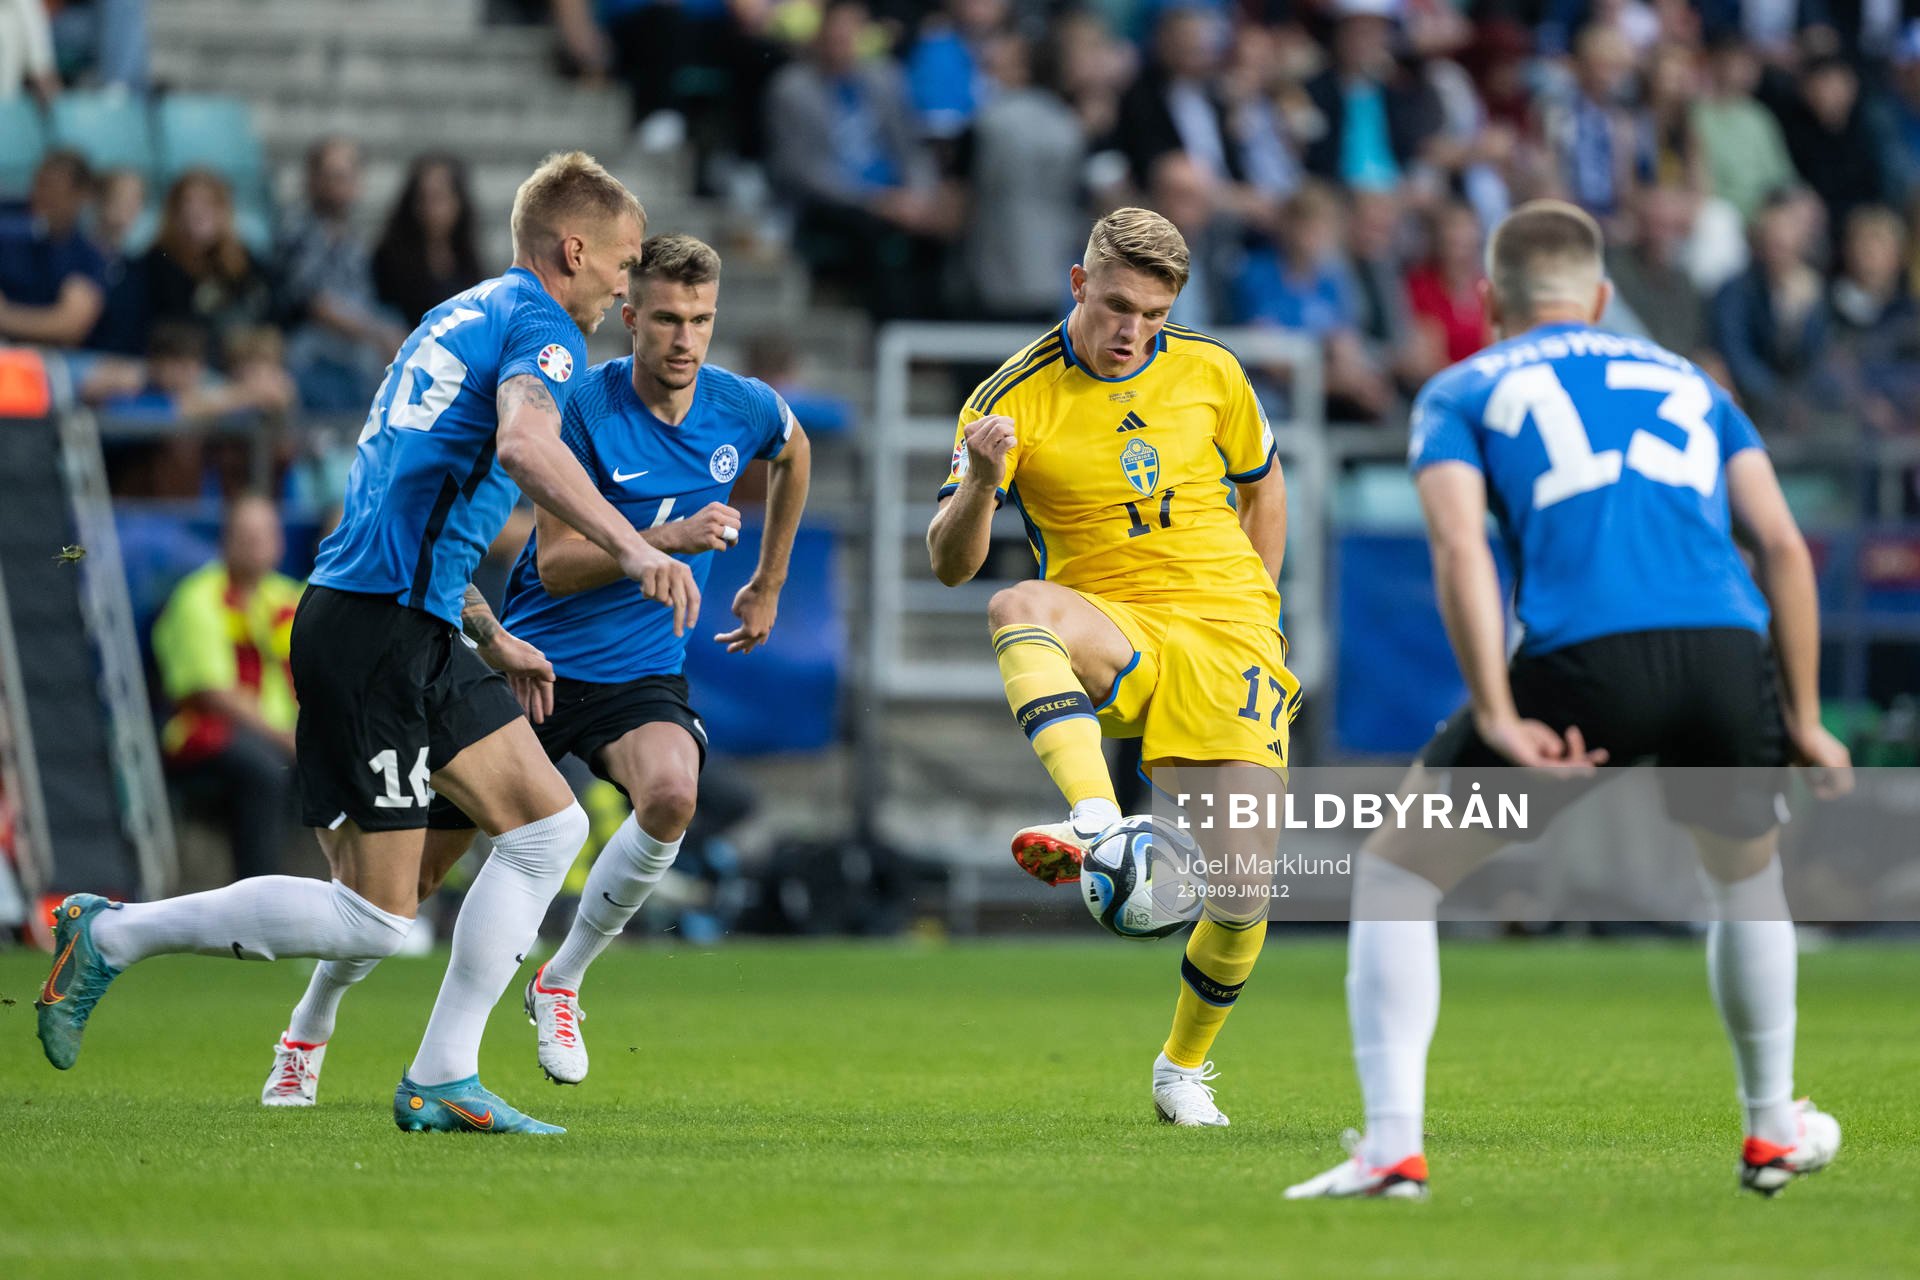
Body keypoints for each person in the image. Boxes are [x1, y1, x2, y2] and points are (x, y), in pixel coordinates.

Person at [36, 151, 699, 1139]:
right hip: (374, 629)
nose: (627, 287)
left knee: (547, 828)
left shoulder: (457, 315)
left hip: (409, 618)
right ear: (574, 249)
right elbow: (524, 446)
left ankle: (443, 1074)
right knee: (379, 916)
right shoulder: (544, 331)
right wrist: (635, 544)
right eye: (622, 262)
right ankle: (116, 931)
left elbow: (414, 499)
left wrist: (490, 629)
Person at [1284, 200, 1852, 1201]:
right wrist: (1804, 717)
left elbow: (1462, 547)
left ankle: (1392, 1149)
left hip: (1586, 662)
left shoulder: (1460, 388)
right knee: (1744, 882)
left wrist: (1498, 710)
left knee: (1396, 875)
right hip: (1728, 650)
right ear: (1599, 299)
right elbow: (1784, 546)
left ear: (1489, 299)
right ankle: (1770, 1129)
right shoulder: (1693, 380)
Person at [258, 232, 811, 1104]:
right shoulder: (579, 405)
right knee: (402, 888)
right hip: (537, 663)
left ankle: (561, 980)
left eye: (701, 321)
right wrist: (662, 541)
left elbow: (793, 448)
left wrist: (768, 583)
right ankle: (311, 1023)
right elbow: (556, 564)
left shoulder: (739, 407)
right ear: (630, 316)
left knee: (672, 794)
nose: (684, 339)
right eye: (665, 318)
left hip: (638, 675)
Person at [926, 208, 1298, 1127]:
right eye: (1120, 304)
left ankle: (1182, 1070)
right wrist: (979, 482)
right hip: (1116, 624)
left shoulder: (1212, 369)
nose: (1134, 330)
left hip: (1228, 634)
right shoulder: (1010, 396)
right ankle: (1098, 821)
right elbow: (950, 562)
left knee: (1247, 893)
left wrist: (1261, 608)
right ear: (1079, 281)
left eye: (1155, 314)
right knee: (1016, 605)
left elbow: (1264, 486)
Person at [151, 494, 303, 880]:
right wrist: (287, 739)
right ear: (226, 541)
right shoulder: (198, 596)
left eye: (266, 533)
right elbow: (212, 694)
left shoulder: (289, 597)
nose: (258, 543)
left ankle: (349, 896)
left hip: (281, 735)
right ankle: (260, 896)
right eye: (247, 535)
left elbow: (316, 677)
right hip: (204, 735)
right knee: (266, 770)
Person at [276, 138, 410, 412]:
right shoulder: (298, 229)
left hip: (357, 337)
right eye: (332, 176)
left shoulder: (352, 235)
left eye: (348, 175)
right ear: (313, 180)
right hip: (314, 342)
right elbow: (314, 303)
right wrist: (377, 332)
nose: (341, 184)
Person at [143, 170, 276, 363]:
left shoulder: (245, 262)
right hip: (181, 365)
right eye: (187, 203)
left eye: (208, 204)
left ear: (223, 211)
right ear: (174, 211)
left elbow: (269, 316)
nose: (196, 211)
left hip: (242, 363)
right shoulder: (156, 262)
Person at [0, 151, 106, 348]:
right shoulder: (8, 217)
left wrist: (5, 317)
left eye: (56, 189)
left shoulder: (85, 255)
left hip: (44, 355)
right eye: (40, 184)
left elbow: (69, 325)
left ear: (80, 195)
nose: (42, 195)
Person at [372, 154, 485, 329]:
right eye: (423, 198)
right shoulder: (389, 259)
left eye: (439, 198)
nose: (430, 209)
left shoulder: (467, 259)